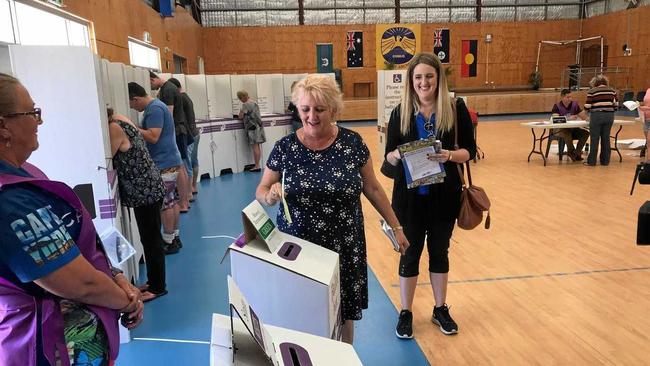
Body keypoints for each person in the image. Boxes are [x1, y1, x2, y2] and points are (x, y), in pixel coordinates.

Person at [0, 73, 143, 365]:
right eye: (31, 113)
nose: (39, 121)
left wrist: (116, 275)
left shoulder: (26, 173)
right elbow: (80, 284)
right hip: (47, 345)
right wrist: (127, 300)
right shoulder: (9, 202)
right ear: (4, 126)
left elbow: (72, 243)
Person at [255, 74, 409, 345]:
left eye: (319, 109)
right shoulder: (285, 148)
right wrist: (270, 196)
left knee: (343, 315)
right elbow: (262, 188)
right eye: (305, 109)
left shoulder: (353, 143)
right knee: (301, 315)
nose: (311, 116)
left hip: (344, 247)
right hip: (298, 249)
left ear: (334, 110)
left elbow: (372, 188)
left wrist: (396, 226)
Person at [383, 53, 476, 339]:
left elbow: (469, 151)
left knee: (439, 252)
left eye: (429, 76)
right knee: (409, 254)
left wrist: (448, 154)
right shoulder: (400, 112)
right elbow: (387, 157)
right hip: (409, 200)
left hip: (443, 197)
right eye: (418, 77)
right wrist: (397, 154)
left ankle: (440, 309)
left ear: (438, 79)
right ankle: (406, 311)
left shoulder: (454, 108)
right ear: (411, 82)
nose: (424, 82)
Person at [107, 108, 168, 302]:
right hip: (149, 185)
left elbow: (107, 155)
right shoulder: (121, 118)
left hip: (144, 191)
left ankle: (158, 287)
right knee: (150, 238)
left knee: (151, 240)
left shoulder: (113, 128)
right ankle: (153, 281)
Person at [128, 82, 183, 254]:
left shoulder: (154, 109)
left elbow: (153, 136)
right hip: (169, 159)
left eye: (132, 104)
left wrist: (132, 128)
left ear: (136, 99)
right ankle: (174, 236)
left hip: (163, 162)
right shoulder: (158, 106)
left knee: (165, 204)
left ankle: (168, 241)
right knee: (172, 201)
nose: (133, 108)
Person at [150, 72, 192, 212]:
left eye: (150, 83)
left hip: (177, 130)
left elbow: (168, 113)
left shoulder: (167, 90)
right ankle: (185, 200)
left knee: (179, 166)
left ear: (153, 79)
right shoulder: (169, 88)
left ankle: (183, 202)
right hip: (180, 129)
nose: (151, 87)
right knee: (181, 166)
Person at [168, 78, 200, 196]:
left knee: (186, 163)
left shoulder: (180, 99)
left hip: (188, 135)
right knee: (193, 161)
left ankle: (188, 192)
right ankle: (193, 187)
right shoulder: (187, 97)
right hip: (194, 133)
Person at [584, 75, 618, 166]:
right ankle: (605, 161)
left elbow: (587, 106)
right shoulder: (612, 91)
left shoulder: (592, 91)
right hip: (609, 116)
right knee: (606, 138)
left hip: (597, 116)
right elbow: (616, 105)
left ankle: (591, 161)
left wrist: (586, 112)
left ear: (595, 83)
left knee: (594, 138)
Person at [550, 89, 590, 161]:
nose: (570, 99)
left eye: (571, 97)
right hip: (559, 130)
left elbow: (583, 116)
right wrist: (568, 118)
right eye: (568, 97)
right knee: (567, 133)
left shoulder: (575, 105)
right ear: (562, 97)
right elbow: (555, 119)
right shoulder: (557, 106)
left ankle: (576, 153)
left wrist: (588, 118)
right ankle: (571, 152)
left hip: (572, 129)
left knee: (585, 133)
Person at [237, 90, 266, 172]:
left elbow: (240, 116)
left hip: (252, 128)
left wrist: (240, 111)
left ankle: (256, 166)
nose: (240, 100)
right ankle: (258, 164)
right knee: (258, 147)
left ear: (242, 97)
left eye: (240, 98)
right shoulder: (254, 102)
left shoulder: (245, 105)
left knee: (255, 147)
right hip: (258, 126)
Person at [638, 88, 650, 159]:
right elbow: (646, 103)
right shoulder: (648, 90)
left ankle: (648, 163)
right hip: (646, 120)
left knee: (649, 142)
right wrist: (639, 104)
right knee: (648, 144)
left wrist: (645, 108)